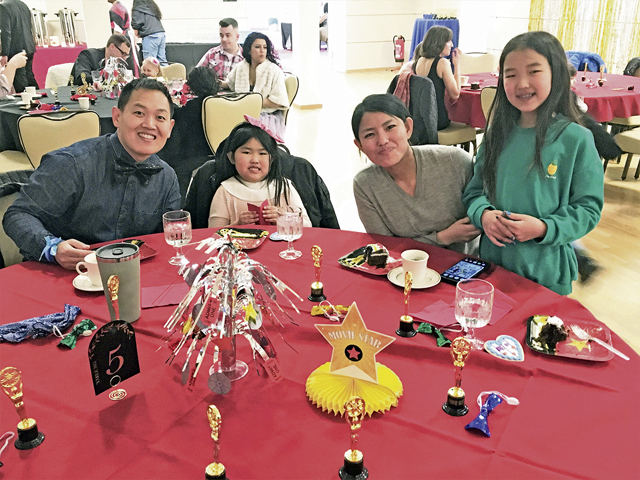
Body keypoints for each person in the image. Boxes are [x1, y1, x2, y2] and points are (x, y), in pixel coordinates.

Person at [463, 31, 604, 295]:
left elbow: (588, 209)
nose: (522, 83)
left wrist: (543, 228)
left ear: (556, 74)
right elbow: (474, 192)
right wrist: (484, 215)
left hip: (547, 273)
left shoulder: (576, 139)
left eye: (533, 71)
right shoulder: (497, 134)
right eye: (511, 74)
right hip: (494, 268)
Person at [3, 78, 181, 270]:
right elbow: (19, 214)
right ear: (117, 117)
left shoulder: (167, 178)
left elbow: (167, 239)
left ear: (170, 128)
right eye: (139, 113)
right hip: (64, 273)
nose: (149, 124)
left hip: (132, 275)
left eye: (160, 117)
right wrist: (54, 249)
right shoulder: (72, 164)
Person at [352, 94, 480, 254]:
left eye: (390, 127)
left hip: (468, 264)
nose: (382, 140)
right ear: (360, 145)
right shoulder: (365, 185)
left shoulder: (455, 161)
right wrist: (443, 237)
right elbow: (387, 248)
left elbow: (483, 216)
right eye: (370, 135)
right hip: (404, 268)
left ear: (408, 128)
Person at [208, 117, 311, 228]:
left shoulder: (283, 187)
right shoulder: (225, 190)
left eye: (262, 153)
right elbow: (213, 232)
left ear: (272, 159)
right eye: (246, 152)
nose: (255, 160)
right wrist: (237, 224)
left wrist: (283, 219)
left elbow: (307, 225)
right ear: (231, 157)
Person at [223, 32, 289, 138]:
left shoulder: (274, 70)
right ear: (249, 50)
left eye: (265, 47)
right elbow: (230, 84)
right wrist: (215, 82)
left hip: (267, 116)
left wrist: (252, 102)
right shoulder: (241, 67)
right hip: (242, 111)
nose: (262, 51)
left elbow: (278, 102)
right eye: (257, 47)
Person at [413, 26, 461, 130]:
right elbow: (455, 95)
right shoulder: (442, 63)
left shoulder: (419, 60)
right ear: (439, 42)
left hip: (421, 118)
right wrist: (457, 65)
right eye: (449, 41)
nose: (452, 45)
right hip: (437, 119)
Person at [0, 0, 37, 92]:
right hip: (29, 45)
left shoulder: (3, 7)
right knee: (29, 76)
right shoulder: (23, 4)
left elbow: (6, 32)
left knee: (19, 79)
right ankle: (38, 95)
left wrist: (4, 53)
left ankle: (23, 98)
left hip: (15, 48)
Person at [69, 33, 135, 86]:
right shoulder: (88, 55)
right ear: (112, 46)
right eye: (123, 53)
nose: (124, 58)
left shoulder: (120, 63)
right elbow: (81, 78)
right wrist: (106, 76)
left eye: (126, 55)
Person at [108, 0, 140, 77]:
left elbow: (118, 28)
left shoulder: (116, 8)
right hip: (125, 36)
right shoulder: (118, 6)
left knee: (129, 62)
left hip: (123, 37)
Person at [131, 0, 166, 65]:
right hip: (161, 33)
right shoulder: (151, 5)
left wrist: (136, 31)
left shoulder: (138, 5)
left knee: (149, 63)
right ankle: (167, 71)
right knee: (162, 61)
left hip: (150, 35)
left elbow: (136, 22)